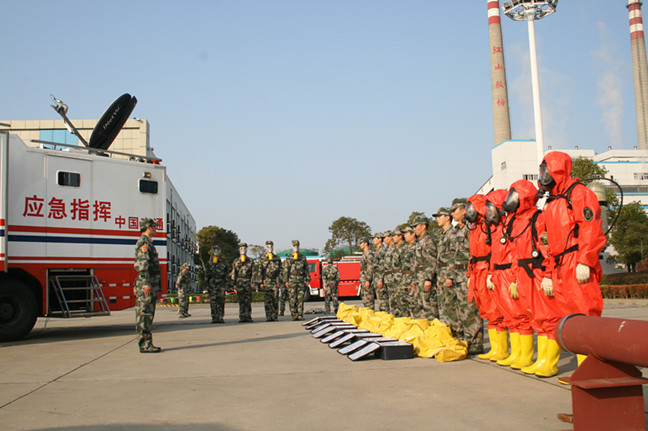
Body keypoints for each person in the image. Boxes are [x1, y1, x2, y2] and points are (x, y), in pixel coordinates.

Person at [539, 151, 607, 377]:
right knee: (565, 318)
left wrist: (585, 261)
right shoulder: (553, 202)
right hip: (559, 264)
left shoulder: (579, 195)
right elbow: (549, 242)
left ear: (557, 169)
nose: (543, 175)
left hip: (575, 260)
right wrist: (548, 272)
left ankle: (591, 371)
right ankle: (582, 371)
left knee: (584, 314)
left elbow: (590, 228)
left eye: (546, 169)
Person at [450, 198, 484, 355]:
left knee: (470, 310)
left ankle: (476, 343)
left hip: (468, 273)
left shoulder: (470, 225)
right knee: (463, 310)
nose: (452, 213)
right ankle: (468, 339)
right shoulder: (459, 229)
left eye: (455, 210)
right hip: (459, 275)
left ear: (464, 210)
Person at [134, 218, 162, 353]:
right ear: (148, 227)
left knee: (147, 315)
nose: (156, 229)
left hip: (149, 283)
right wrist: (146, 283)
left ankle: (147, 343)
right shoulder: (144, 243)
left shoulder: (148, 243)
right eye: (154, 227)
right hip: (145, 284)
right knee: (144, 315)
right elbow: (143, 264)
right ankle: (145, 344)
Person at [412, 215, 438, 320]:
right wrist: (414, 280)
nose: (414, 229)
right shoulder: (420, 241)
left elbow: (431, 261)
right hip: (419, 279)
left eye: (416, 226)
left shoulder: (428, 241)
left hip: (425, 279)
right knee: (422, 309)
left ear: (423, 226)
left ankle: (433, 332)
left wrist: (428, 279)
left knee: (429, 309)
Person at [282, 240, 311, 321]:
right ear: (292, 246)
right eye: (294, 246)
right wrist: (286, 281)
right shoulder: (289, 258)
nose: (296, 247)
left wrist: (307, 280)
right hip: (292, 280)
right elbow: (285, 270)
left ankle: (300, 315)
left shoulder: (302, 257)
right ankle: (294, 315)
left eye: (297, 246)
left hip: (301, 280)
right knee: (292, 298)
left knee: (300, 299)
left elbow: (306, 269)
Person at [255, 240, 283, 322]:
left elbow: (281, 270)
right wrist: (260, 282)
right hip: (266, 281)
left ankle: (274, 316)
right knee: (267, 300)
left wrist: (281, 281)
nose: (269, 248)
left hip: (274, 280)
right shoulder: (262, 258)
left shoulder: (277, 258)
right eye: (268, 246)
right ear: (266, 247)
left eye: (271, 246)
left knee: (275, 299)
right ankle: (268, 316)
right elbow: (259, 271)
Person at [231, 242, 255, 323]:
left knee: (248, 300)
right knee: (241, 300)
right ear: (239, 250)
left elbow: (253, 272)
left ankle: (248, 316)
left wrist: (253, 283)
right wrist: (234, 283)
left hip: (247, 281)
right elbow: (234, 273)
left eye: (244, 248)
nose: (243, 250)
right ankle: (242, 316)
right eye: (241, 248)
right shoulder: (236, 261)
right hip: (239, 282)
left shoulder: (250, 261)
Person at [205, 245, 229, 323]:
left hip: (221, 283)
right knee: (213, 301)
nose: (216, 252)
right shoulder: (209, 262)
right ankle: (214, 317)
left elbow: (227, 274)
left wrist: (227, 284)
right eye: (215, 250)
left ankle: (220, 317)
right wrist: (206, 284)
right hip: (212, 283)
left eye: (218, 250)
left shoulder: (224, 262)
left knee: (221, 301)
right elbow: (207, 274)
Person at [372, 233, 388, 312]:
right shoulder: (378, 250)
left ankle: (385, 316)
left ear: (380, 239)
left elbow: (382, 266)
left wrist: (380, 279)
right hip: (377, 277)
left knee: (383, 300)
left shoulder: (382, 250)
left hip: (380, 278)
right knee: (380, 300)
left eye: (375, 238)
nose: (373, 240)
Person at [359, 237, 375, 309]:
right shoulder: (364, 254)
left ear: (366, 243)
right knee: (365, 299)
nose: (360, 245)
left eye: (361, 243)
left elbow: (370, 267)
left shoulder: (369, 254)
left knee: (369, 300)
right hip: (363, 279)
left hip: (367, 280)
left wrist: (368, 280)